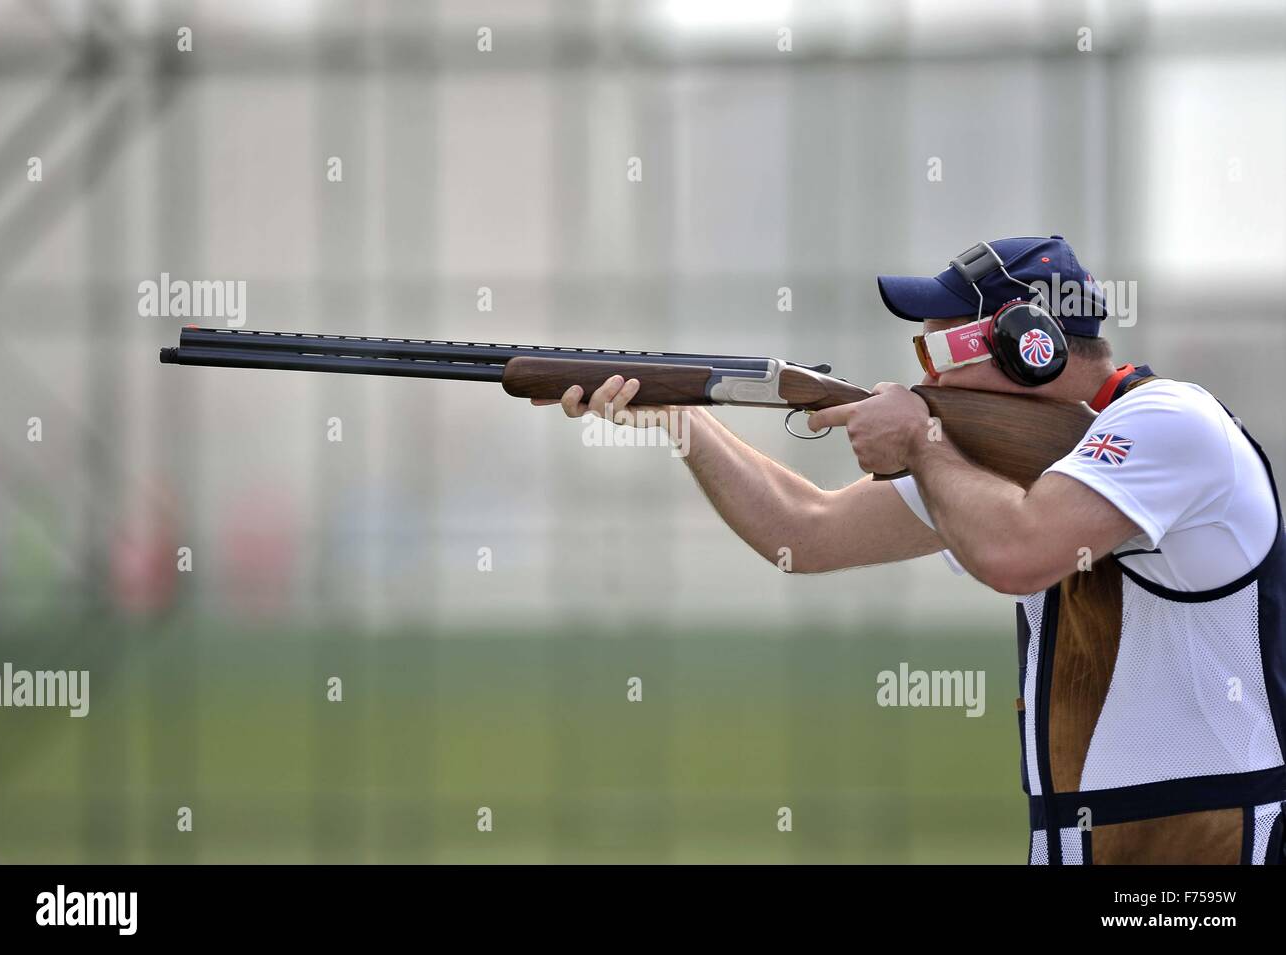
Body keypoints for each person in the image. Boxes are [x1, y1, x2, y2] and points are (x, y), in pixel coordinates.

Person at [531, 236, 1286, 865]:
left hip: (1213, 850)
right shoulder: (1011, 466)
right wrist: (684, 421)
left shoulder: (1172, 422)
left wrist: (922, 441)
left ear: (1034, 345)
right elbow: (803, 529)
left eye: (945, 346)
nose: (930, 373)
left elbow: (1018, 553)